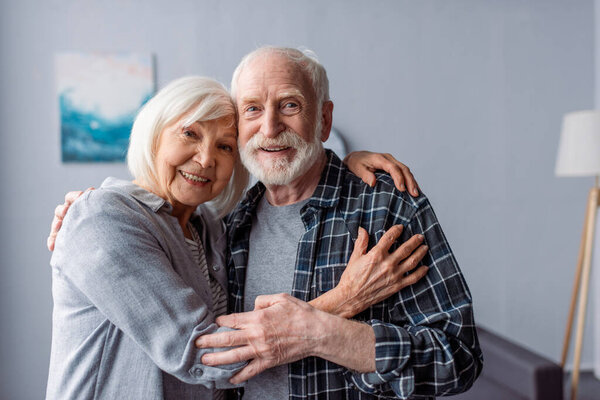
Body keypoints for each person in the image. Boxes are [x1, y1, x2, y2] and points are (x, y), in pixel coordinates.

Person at [46, 76, 429, 399]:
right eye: (190, 134)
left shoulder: (211, 227)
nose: (206, 159)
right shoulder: (104, 218)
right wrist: (344, 300)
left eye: (225, 146)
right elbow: (202, 355)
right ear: (154, 132)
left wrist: (341, 167)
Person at [193, 46, 483, 399]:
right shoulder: (226, 222)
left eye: (290, 105)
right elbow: (208, 353)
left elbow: (458, 357)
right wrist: (342, 302)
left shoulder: (387, 205)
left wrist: (324, 334)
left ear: (324, 120)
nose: (269, 128)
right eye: (253, 108)